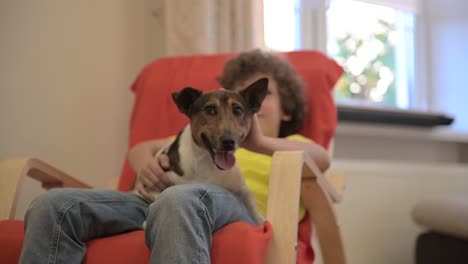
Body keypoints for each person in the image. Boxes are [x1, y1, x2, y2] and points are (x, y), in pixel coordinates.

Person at [19, 49, 330, 264]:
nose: (227, 118)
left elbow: (321, 159)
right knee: (53, 205)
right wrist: (145, 166)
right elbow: (142, 148)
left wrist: (257, 142)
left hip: (226, 208)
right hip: (154, 201)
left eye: (240, 106)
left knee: (178, 199)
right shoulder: (196, 139)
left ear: (283, 106)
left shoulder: (292, 144)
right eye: (224, 100)